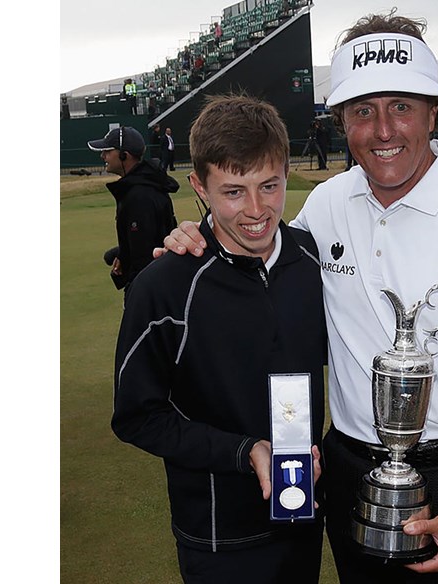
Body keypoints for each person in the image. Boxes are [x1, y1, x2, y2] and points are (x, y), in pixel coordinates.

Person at [160, 10, 438, 584]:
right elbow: (256, 247)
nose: (383, 130)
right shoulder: (327, 204)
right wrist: (196, 232)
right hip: (347, 473)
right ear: (342, 121)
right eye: (362, 111)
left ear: (434, 112)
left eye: (401, 106)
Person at [112, 94, 327, 583]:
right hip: (217, 540)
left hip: (303, 522)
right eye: (233, 191)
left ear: (287, 173)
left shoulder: (313, 262)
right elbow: (137, 417)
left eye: (269, 186)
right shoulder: (164, 286)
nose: (256, 210)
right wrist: (244, 450)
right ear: (200, 187)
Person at [87, 126, 179, 302]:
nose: (103, 156)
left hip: (150, 292)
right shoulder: (141, 188)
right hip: (159, 285)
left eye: (107, 151)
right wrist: (123, 254)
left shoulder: (139, 196)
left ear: (124, 155)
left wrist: (135, 297)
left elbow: (144, 255)